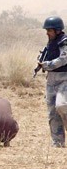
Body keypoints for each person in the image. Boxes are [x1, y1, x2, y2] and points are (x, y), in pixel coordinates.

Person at [38, 16, 67, 147]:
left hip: (64, 79)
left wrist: (47, 65)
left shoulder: (64, 42)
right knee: (52, 113)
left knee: (62, 105)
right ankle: (57, 142)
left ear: (57, 30)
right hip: (51, 80)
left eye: (49, 30)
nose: (47, 33)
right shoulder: (51, 43)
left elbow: (63, 59)